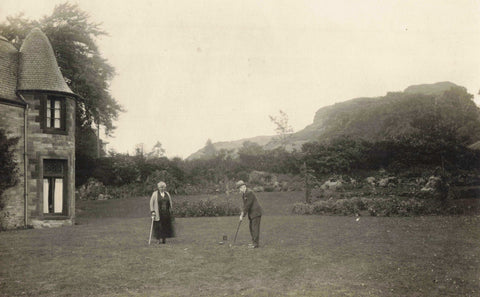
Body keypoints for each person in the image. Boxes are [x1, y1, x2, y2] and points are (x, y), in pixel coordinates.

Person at [236, 180, 263, 248]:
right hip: (252, 213)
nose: (239, 190)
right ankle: (254, 242)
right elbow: (245, 205)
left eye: (239, 188)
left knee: (254, 228)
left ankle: (255, 244)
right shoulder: (244, 194)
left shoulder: (249, 192)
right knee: (251, 228)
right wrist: (242, 214)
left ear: (243, 187)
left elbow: (248, 205)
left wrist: (242, 215)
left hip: (256, 212)